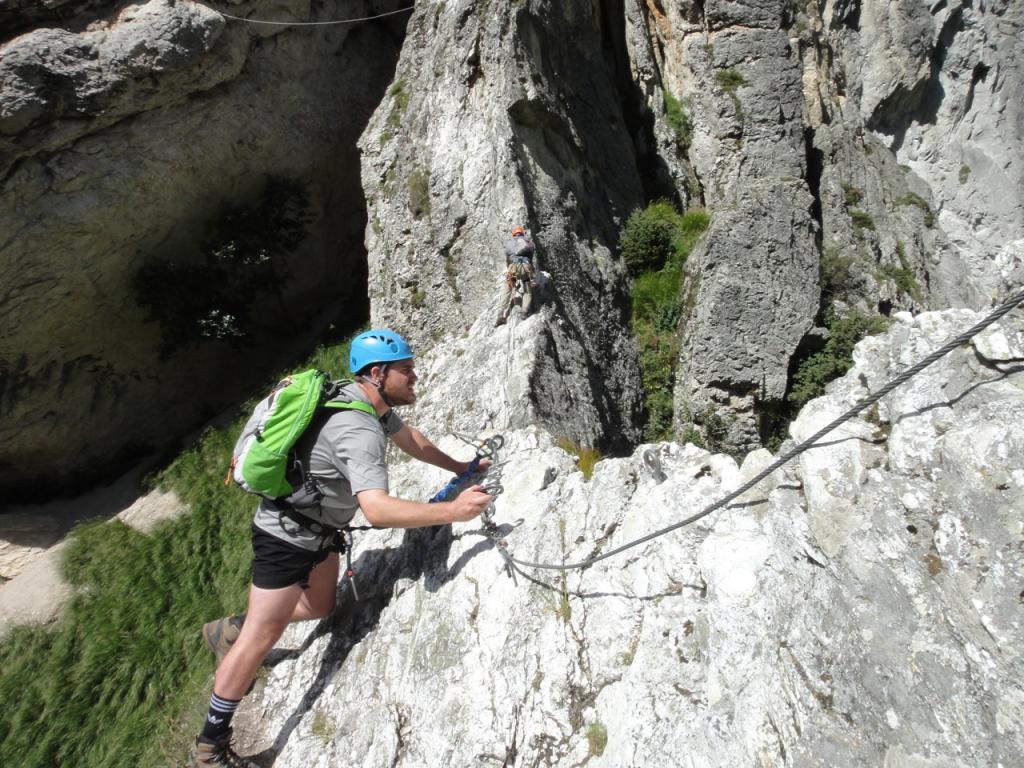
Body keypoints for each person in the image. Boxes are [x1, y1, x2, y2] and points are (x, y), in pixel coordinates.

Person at [191, 329, 493, 767]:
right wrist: (454, 512)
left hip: (318, 530)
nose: (415, 376)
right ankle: (209, 745)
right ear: (378, 372)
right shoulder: (357, 428)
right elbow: (377, 510)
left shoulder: (362, 400)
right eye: (406, 369)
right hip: (284, 537)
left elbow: (412, 441)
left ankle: (230, 627)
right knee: (263, 636)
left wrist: (462, 467)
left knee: (318, 606)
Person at [495, 225, 539, 327]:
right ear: (522, 233)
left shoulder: (509, 243)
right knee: (527, 290)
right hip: (525, 267)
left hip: (513, 267)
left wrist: (510, 269)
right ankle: (524, 312)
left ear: (514, 234)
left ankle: (500, 313)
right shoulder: (528, 241)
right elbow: (532, 254)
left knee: (508, 288)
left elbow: (507, 259)